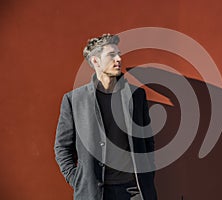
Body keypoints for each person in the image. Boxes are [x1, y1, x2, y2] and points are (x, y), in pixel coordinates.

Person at [54, 34, 157, 200]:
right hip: (94, 193)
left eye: (119, 54)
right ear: (95, 61)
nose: (118, 59)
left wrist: (148, 172)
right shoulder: (74, 100)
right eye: (111, 55)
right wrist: (78, 180)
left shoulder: (136, 96)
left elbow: (147, 140)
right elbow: (62, 147)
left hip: (134, 190)